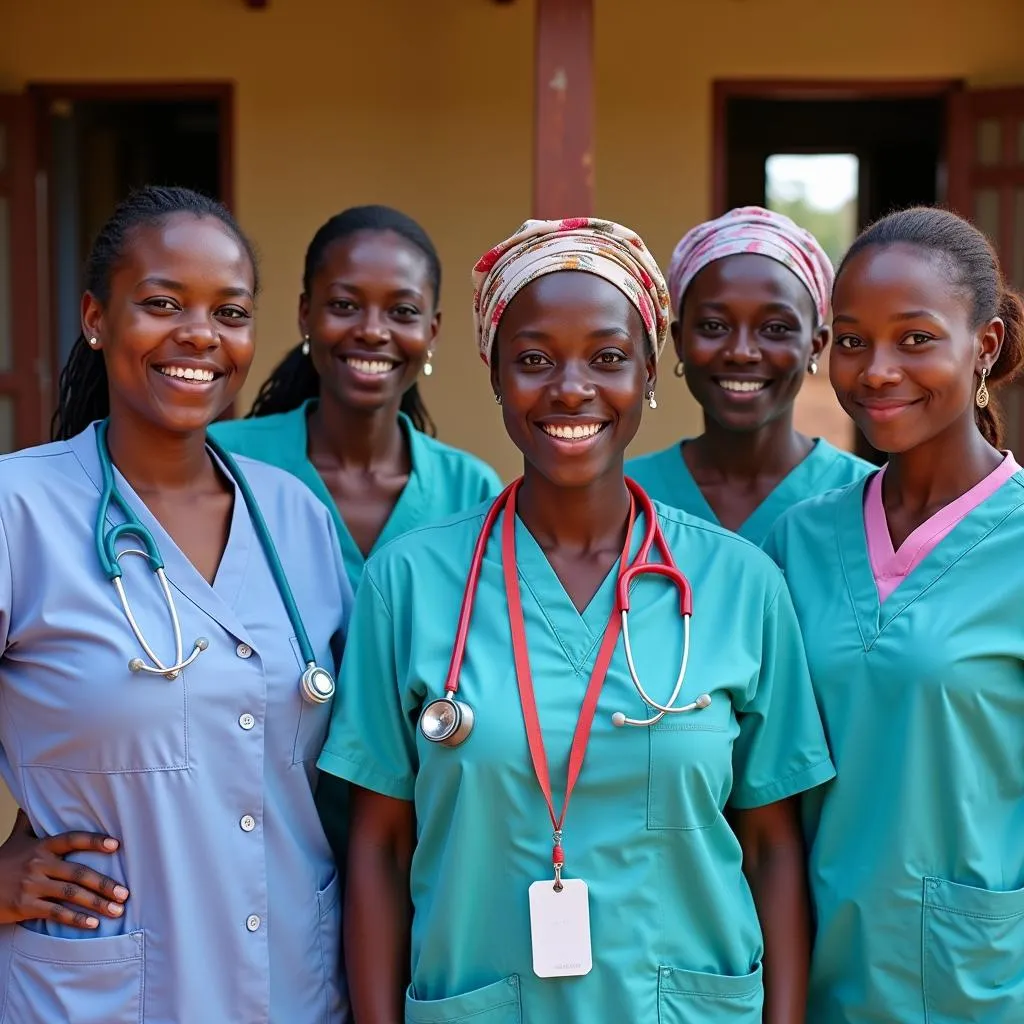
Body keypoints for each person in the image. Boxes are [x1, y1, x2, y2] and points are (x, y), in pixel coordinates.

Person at [319, 217, 835, 1023]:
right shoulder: (411, 582)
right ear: (492, 373)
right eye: (532, 359)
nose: (569, 388)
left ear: (648, 372)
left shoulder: (741, 585)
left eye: (607, 358)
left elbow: (773, 847)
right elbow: (379, 848)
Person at [0, 186, 351, 1023]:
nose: (200, 335)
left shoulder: (294, 518)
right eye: (162, 304)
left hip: (292, 990)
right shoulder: (20, 511)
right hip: (98, 997)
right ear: (96, 317)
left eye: (229, 311)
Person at [764, 207, 1024, 1022]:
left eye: (915, 339)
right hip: (805, 976)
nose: (876, 370)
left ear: (982, 347)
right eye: (850, 339)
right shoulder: (797, 540)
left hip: (975, 985)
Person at [210, 205, 502, 594]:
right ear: (305, 314)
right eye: (345, 305)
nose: (372, 331)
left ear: (432, 332)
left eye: (402, 311)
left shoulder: (469, 489)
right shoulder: (223, 458)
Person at [627, 207, 871, 544]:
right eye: (714, 326)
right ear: (680, 342)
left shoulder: (870, 503)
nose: (742, 352)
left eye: (775, 328)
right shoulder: (624, 498)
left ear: (816, 346)